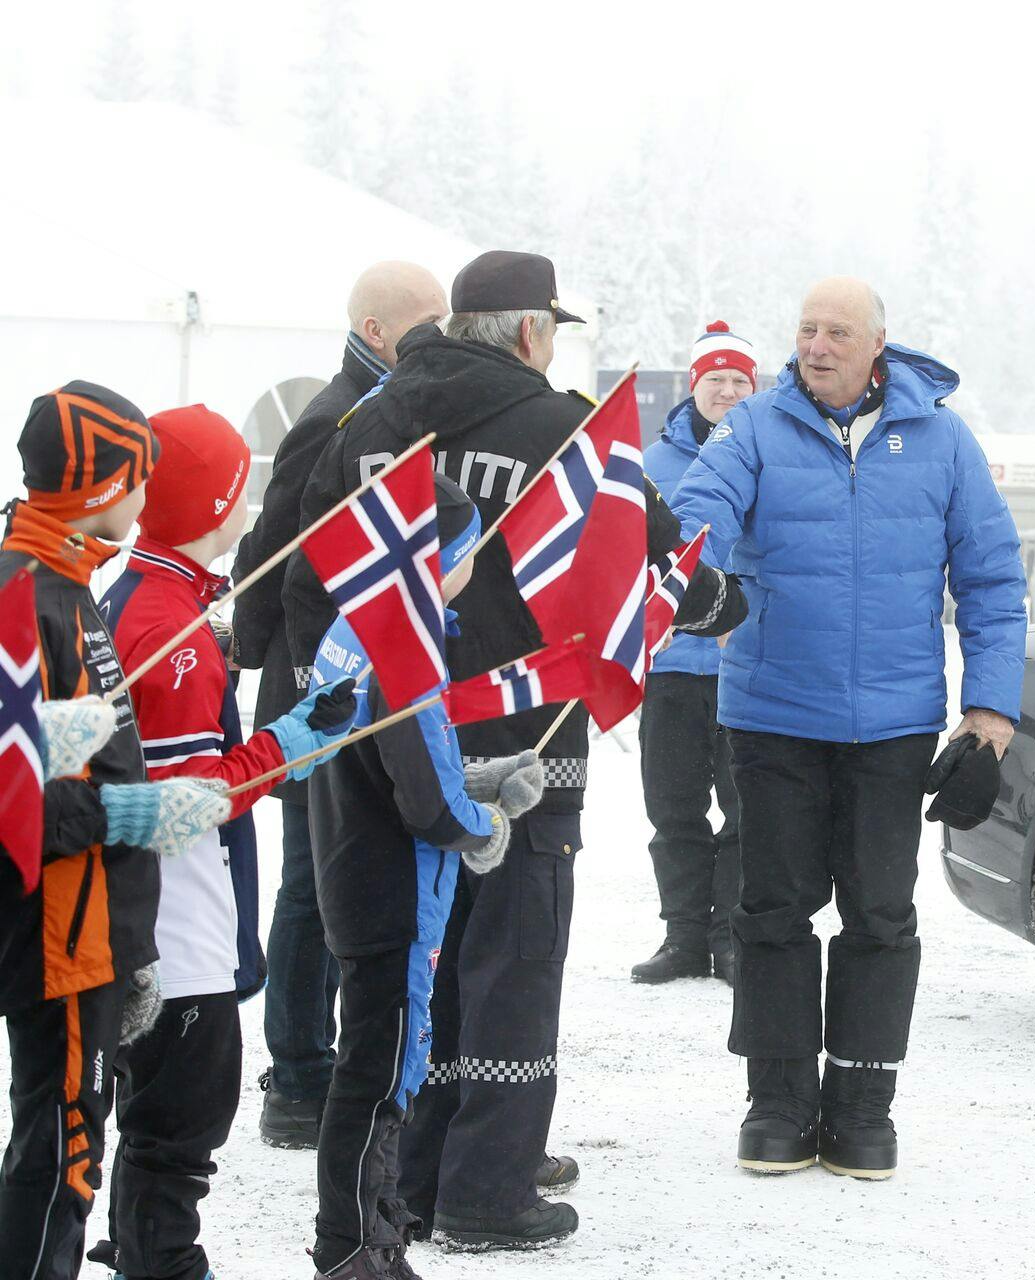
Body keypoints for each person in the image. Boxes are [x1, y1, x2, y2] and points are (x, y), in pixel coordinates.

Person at [286, 249, 740, 1250]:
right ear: (532, 331)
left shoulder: (375, 420)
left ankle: (415, 1170)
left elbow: (306, 557)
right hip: (525, 739)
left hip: (389, 732)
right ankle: (489, 1188)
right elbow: (648, 550)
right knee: (512, 957)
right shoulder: (559, 429)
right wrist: (713, 600)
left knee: (419, 961)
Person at [672, 276, 1027, 1180]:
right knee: (772, 910)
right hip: (775, 714)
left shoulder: (941, 440)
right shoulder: (753, 426)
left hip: (894, 725)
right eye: (804, 330)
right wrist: (683, 567)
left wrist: (987, 716)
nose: (816, 346)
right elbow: (702, 514)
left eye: (836, 331)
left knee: (880, 912)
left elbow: (990, 578)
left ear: (878, 343)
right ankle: (778, 1100)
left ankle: (864, 1103)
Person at [93, 404, 358, 1280]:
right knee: (185, 1109)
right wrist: (291, 740)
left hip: (156, 911)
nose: (249, 509)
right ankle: (162, 1257)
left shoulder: (155, 595)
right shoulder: (167, 629)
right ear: (213, 508)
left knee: (157, 1107)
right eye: (238, 490)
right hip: (174, 921)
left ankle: (141, 1241)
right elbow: (186, 798)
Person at [0, 383, 230, 1280]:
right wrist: (129, 810)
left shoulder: (69, 579)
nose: (148, 496)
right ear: (105, 486)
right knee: (61, 1159)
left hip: (96, 931)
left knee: (67, 1155)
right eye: (140, 475)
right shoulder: (30, 598)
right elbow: (16, 797)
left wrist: (131, 945)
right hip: (59, 934)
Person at [231, 260, 449, 1150]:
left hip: (358, 683)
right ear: (374, 330)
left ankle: (313, 1064)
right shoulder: (335, 419)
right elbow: (270, 551)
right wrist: (260, 659)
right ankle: (297, 1072)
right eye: (425, 322)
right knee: (309, 888)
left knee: (335, 881)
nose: (440, 337)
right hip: (314, 687)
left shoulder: (398, 412)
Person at [304, 478, 544, 1279]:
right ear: (433, 558)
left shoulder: (361, 626)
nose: (473, 559)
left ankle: (372, 1228)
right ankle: (353, 1247)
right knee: (379, 1074)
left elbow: (397, 762)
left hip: (357, 873)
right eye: (467, 545)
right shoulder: (399, 651)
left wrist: (476, 778)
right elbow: (423, 800)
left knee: (376, 1060)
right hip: (393, 893)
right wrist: (485, 821)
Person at [631, 321, 756, 987]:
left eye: (740, 381)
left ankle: (730, 938)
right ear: (694, 386)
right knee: (673, 805)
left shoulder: (767, 452)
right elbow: (628, 555)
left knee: (743, 808)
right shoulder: (653, 466)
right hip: (673, 666)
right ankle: (683, 935)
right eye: (717, 380)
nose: (729, 391)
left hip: (745, 667)